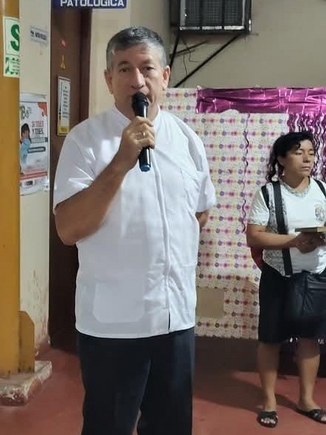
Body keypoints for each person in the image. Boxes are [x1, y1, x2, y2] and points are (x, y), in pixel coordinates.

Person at [52, 26, 217, 435]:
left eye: (147, 68)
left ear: (165, 76)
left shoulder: (187, 140)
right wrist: (121, 162)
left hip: (175, 321)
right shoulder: (85, 141)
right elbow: (68, 229)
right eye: (124, 69)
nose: (137, 80)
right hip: (113, 324)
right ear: (109, 79)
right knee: (108, 426)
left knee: (171, 427)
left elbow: (198, 214)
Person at [245, 131, 326, 428]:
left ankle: (307, 400)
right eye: (299, 152)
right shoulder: (268, 193)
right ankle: (269, 402)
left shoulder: (322, 189)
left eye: (311, 152)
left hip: (315, 277)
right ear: (281, 159)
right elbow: (254, 236)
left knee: (309, 339)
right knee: (270, 339)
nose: (307, 158)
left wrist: (324, 236)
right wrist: (294, 242)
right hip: (278, 276)